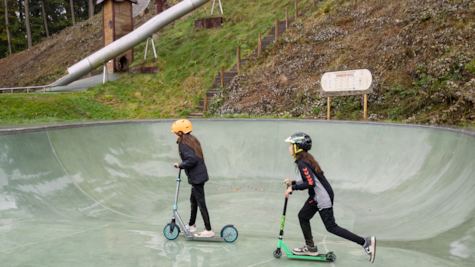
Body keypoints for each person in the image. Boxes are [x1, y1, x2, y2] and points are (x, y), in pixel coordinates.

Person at [283, 132, 376, 263]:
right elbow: (309, 178)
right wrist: (293, 182)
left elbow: (310, 182)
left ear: (297, 146)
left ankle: (365, 242)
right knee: (303, 216)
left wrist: (292, 188)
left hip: (321, 197)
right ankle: (310, 247)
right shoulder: (306, 159)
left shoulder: (302, 163)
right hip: (318, 195)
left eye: (291, 145)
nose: (289, 148)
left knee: (331, 227)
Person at [172, 119, 214, 237]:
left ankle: (208, 230)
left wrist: (180, 165)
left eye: (175, 133)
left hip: (197, 178)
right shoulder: (192, 140)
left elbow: (192, 160)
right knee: (193, 201)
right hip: (199, 176)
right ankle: (191, 225)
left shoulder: (184, 144)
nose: (174, 136)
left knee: (201, 204)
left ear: (180, 133)